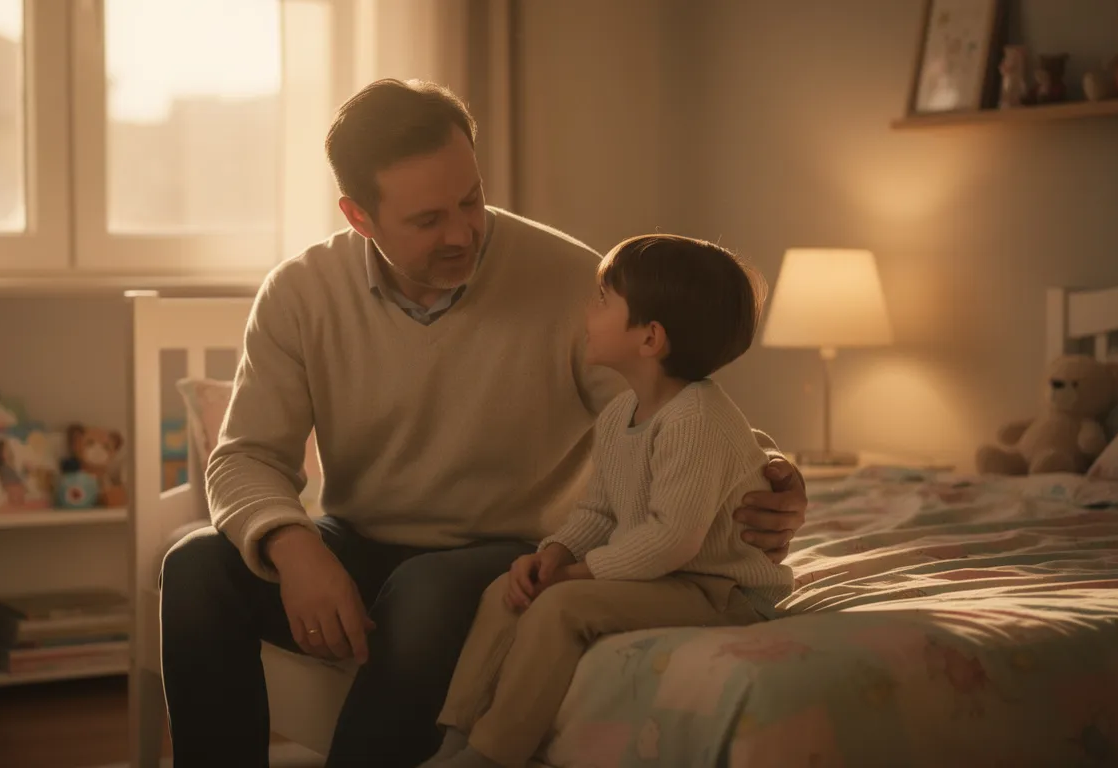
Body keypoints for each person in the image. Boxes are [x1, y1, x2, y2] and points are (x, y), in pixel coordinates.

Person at [158, 78, 810, 768]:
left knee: (426, 592)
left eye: (470, 199)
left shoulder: (571, 281)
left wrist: (771, 474)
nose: (464, 231)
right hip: (356, 540)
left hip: (504, 550)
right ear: (359, 216)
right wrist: (295, 550)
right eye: (428, 219)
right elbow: (243, 457)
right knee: (195, 566)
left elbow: (677, 399)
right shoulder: (300, 293)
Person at [422, 234, 793, 768]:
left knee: (561, 606)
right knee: (509, 589)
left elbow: (670, 540)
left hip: (721, 591)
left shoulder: (697, 420)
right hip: (668, 578)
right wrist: (555, 554)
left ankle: (492, 753)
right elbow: (599, 513)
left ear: (649, 339)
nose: (587, 310)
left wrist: (577, 577)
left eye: (601, 299)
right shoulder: (621, 414)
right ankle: (456, 737)